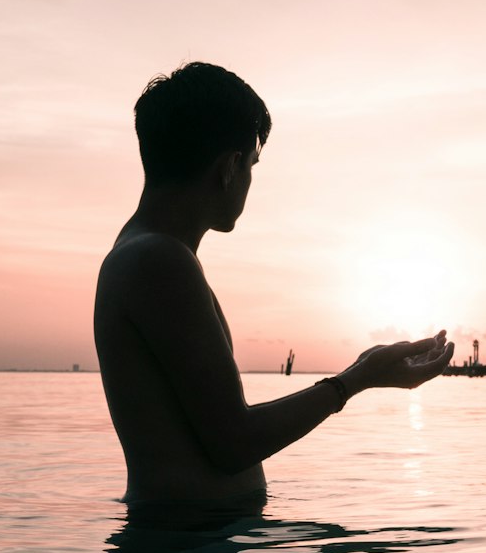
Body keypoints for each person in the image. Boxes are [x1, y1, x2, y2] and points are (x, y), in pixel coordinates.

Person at [94, 62, 454, 506]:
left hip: (192, 548)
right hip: (184, 552)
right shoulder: (158, 261)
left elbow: (216, 429)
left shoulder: (145, 254)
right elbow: (233, 443)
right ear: (229, 168)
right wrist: (355, 380)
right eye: (252, 164)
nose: (249, 180)